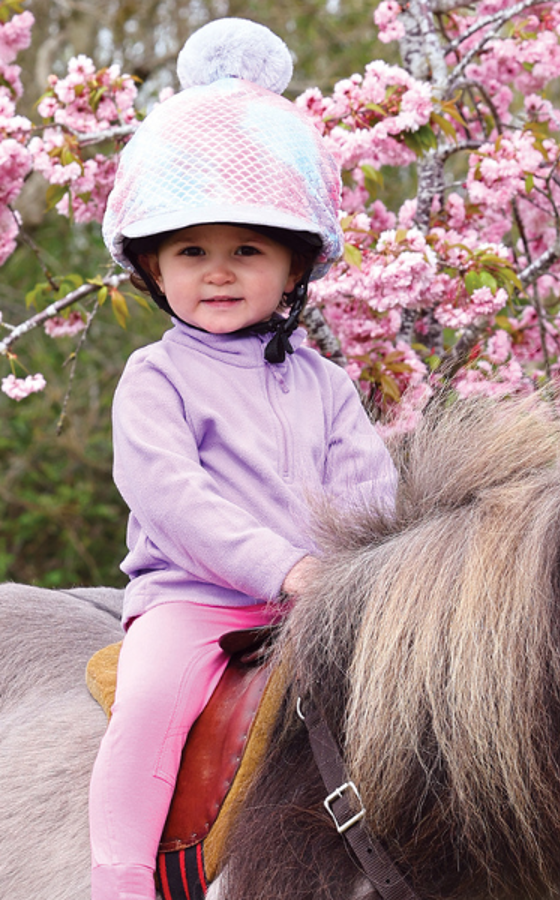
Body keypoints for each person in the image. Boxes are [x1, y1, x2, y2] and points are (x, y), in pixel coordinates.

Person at [90, 18, 397, 900]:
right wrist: (284, 565)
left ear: (294, 267)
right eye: (191, 252)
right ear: (153, 267)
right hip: (193, 601)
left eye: (248, 251)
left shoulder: (326, 384)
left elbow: (370, 490)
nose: (218, 272)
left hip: (321, 607)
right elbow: (173, 498)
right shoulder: (155, 379)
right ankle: (117, 881)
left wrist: (365, 573)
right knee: (150, 707)